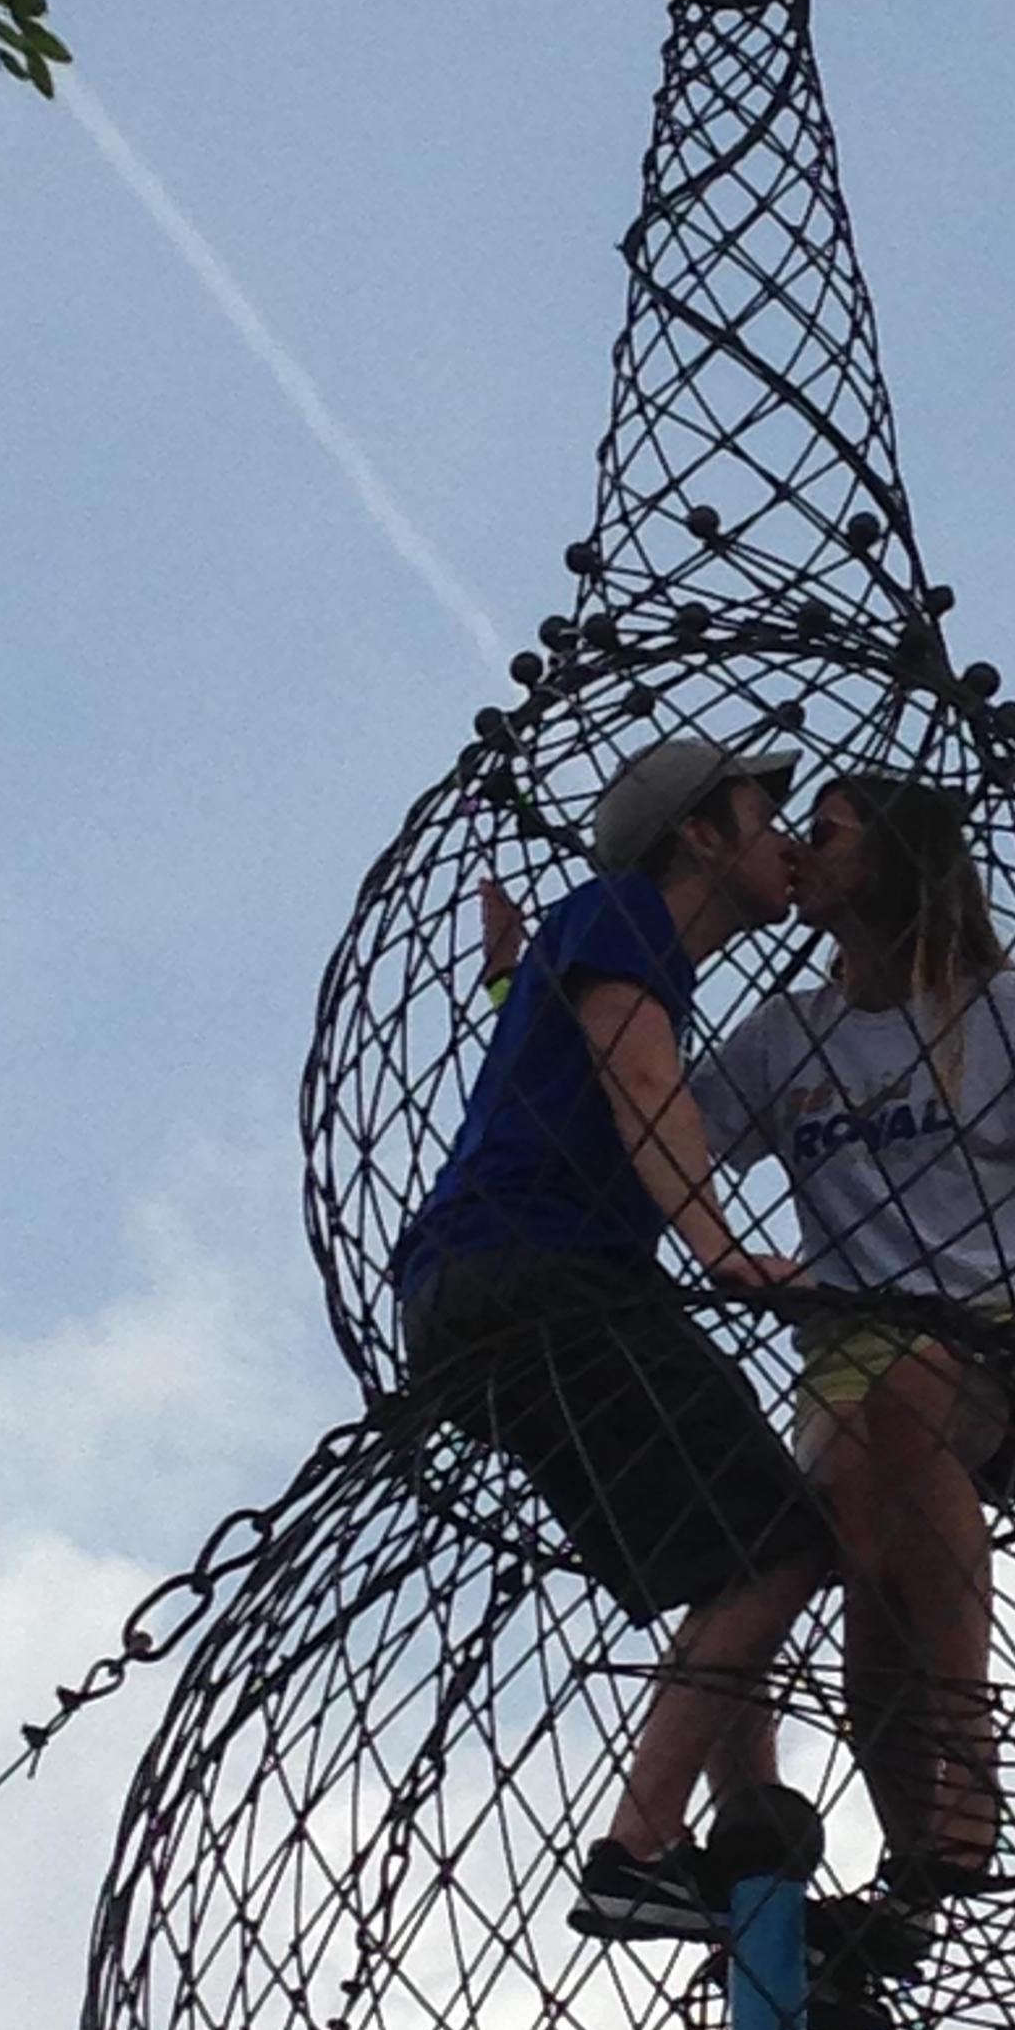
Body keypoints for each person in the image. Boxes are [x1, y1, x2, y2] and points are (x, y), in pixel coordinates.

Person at [691, 775, 1015, 1911]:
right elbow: (657, 1127)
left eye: (827, 834)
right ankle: (916, 1874)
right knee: (862, 1568)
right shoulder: (787, 1037)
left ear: (896, 858)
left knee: (903, 1403)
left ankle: (969, 1768)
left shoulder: (996, 1011)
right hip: (843, 1371)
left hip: (1001, 1348)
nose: (803, 850)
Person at [394, 732, 841, 1955]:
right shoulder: (622, 912)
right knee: (786, 1541)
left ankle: (736, 1833)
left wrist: (509, 986)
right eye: (762, 815)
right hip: (548, 1280)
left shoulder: (600, 940)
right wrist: (719, 1245)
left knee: (728, 1551)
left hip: (485, 1295)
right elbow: (638, 1079)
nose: (786, 839)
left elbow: (560, 1063)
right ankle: (637, 1852)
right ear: (699, 834)